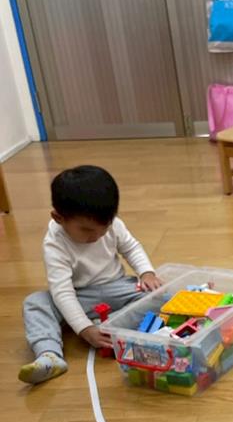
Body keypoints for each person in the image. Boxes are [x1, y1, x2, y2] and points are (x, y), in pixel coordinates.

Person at [19, 165, 161, 385]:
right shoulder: (55, 244)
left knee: (160, 295)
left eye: (105, 228)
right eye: (87, 230)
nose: (98, 236)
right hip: (80, 295)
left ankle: (108, 327)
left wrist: (147, 272)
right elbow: (62, 292)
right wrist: (84, 329)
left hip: (118, 287)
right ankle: (49, 355)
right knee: (35, 303)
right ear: (58, 218)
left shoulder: (112, 224)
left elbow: (131, 248)